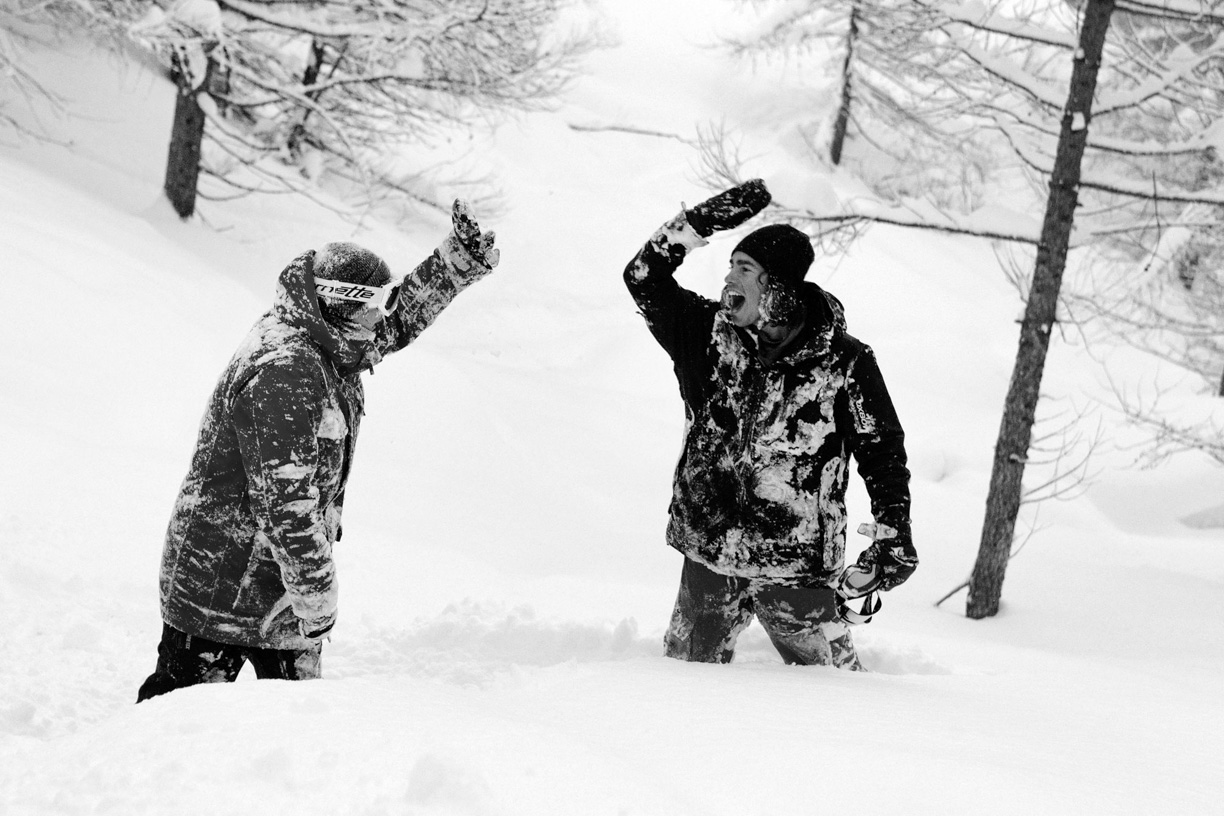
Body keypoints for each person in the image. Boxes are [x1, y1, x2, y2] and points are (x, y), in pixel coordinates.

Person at [137, 201, 499, 701]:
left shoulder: (330, 340)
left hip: (280, 592)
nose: (380, 316)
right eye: (371, 305)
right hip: (220, 587)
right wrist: (316, 594)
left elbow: (393, 322)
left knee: (298, 737)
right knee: (175, 727)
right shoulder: (286, 372)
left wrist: (454, 263)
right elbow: (285, 506)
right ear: (339, 305)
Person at [623, 179, 916, 670]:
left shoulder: (843, 363)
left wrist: (893, 531)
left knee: (837, 689)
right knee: (681, 679)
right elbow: (643, 279)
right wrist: (696, 225)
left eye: (745, 269)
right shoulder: (706, 336)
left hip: (796, 571)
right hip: (710, 555)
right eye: (730, 267)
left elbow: (882, 450)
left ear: (776, 289)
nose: (729, 281)